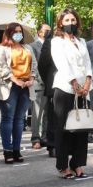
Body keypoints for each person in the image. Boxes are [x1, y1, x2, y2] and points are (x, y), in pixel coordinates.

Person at [51, 9, 93, 179]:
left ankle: (77, 164)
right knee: (64, 129)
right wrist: (75, 84)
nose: (71, 23)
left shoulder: (81, 41)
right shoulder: (57, 41)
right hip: (65, 89)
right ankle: (62, 166)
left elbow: (88, 62)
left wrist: (88, 82)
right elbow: (62, 64)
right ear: (61, 23)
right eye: (67, 20)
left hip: (84, 90)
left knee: (82, 128)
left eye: (73, 20)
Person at [0, 23, 37, 163]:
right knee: (8, 118)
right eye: (15, 32)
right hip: (9, 86)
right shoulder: (1, 48)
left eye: (20, 31)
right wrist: (15, 80)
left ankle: (17, 150)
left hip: (26, 85)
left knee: (20, 120)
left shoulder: (27, 47)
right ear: (9, 33)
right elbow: (1, 67)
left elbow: (34, 65)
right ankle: (8, 150)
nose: (19, 34)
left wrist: (32, 78)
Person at [29, 23, 51, 149]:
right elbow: (34, 65)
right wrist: (42, 79)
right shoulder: (33, 46)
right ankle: (35, 138)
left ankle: (45, 137)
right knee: (37, 112)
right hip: (39, 83)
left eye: (49, 31)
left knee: (48, 112)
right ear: (39, 32)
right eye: (45, 30)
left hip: (51, 84)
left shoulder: (52, 45)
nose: (48, 33)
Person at [37, 26, 57, 158]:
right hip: (54, 85)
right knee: (53, 117)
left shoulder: (75, 42)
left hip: (72, 86)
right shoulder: (50, 42)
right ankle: (53, 146)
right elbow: (42, 65)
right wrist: (49, 80)